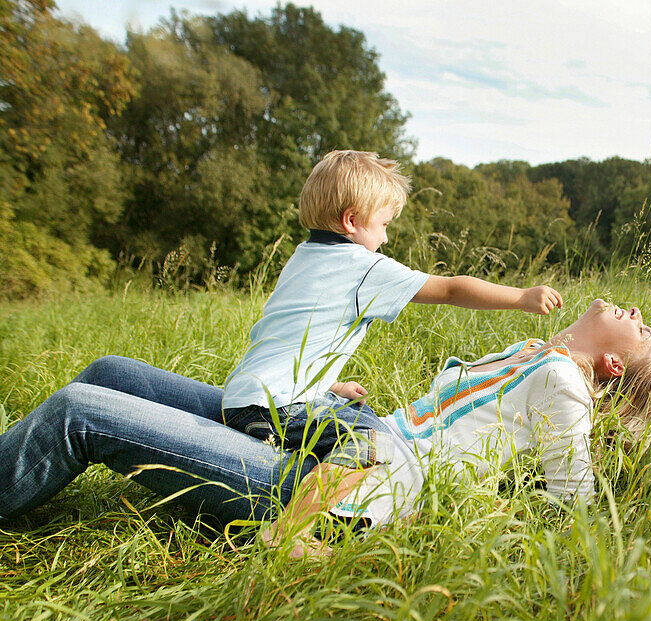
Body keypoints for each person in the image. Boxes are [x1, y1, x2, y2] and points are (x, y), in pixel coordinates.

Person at [0, 300, 651, 552]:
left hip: (339, 485)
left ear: (614, 365)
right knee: (114, 371)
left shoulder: (565, 385)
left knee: (79, 412)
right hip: (347, 432)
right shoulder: (536, 354)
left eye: (641, 326)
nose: (631, 310)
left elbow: (575, 500)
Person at [221, 149, 563, 466]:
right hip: (274, 410)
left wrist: (330, 386)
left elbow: (291, 337)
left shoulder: (303, 255)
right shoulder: (361, 266)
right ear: (351, 220)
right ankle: (317, 515)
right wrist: (521, 297)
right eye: (383, 225)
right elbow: (449, 289)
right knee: (374, 437)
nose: (385, 238)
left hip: (245, 398)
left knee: (347, 408)